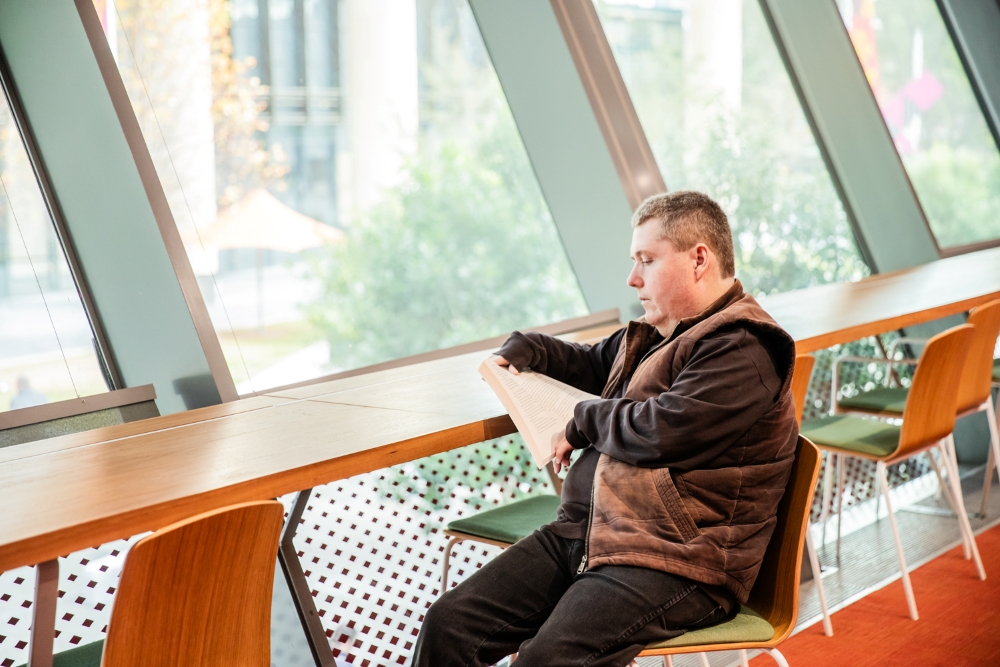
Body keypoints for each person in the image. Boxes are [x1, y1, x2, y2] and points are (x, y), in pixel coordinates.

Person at [411, 191, 798, 667]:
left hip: (677, 559)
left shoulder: (744, 347)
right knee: (448, 624)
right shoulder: (661, 330)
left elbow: (662, 430)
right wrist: (527, 348)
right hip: (593, 531)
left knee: (546, 661)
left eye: (647, 260)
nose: (633, 278)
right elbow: (590, 362)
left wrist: (582, 421)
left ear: (699, 259)